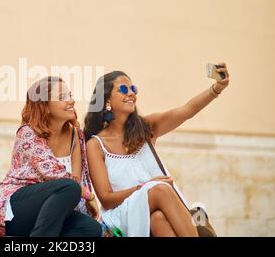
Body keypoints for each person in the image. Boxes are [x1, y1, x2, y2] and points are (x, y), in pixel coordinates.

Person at [84, 63, 230, 237]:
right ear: (107, 100)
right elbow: (107, 200)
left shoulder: (146, 128)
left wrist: (217, 88)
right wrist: (145, 187)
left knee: (158, 219)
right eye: (123, 89)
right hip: (121, 214)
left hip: (155, 207)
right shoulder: (95, 145)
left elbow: (186, 110)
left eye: (133, 89)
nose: (131, 93)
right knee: (160, 188)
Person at [0, 76, 102, 237]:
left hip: (49, 215)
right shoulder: (28, 132)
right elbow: (52, 173)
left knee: (91, 229)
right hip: (15, 210)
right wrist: (90, 196)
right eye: (62, 97)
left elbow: (78, 180)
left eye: (69, 95)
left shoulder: (76, 135)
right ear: (45, 106)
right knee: (69, 187)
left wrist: (92, 214)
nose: (71, 101)